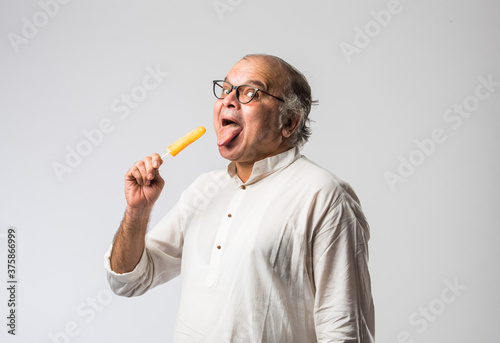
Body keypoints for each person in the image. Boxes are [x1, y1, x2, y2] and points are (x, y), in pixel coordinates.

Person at [104, 54, 375, 342]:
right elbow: (128, 281)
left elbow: (343, 329)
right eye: (225, 90)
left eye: (250, 93)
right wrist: (138, 211)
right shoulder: (203, 189)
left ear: (290, 122)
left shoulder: (324, 195)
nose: (229, 100)